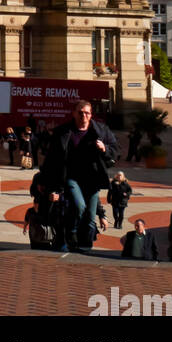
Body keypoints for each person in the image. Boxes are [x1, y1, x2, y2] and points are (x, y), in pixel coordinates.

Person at [41, 100, 119, 253]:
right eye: (80, 112)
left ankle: (86, 245)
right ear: (74, 113)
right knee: (79, 206)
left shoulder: (101, 131)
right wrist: (49, 186)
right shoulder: (63, 132)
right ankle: (72, 234)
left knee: (90, 217)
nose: (84, 115)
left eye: (87, 113)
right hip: (71, 177)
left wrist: (105, 148)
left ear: (91, 115)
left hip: (92, 178)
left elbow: (116, 149)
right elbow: (51, 160)